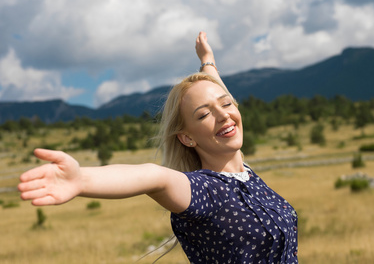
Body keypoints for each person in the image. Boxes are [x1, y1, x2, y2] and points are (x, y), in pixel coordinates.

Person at [18, 32, 298, 263]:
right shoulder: (203, 191)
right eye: (203, 115)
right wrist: (82, 179)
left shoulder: (245, 173)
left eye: (226, 104)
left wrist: (208, 62)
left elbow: (223, 102)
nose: (223, 114)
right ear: (187, 138)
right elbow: (154, 177)